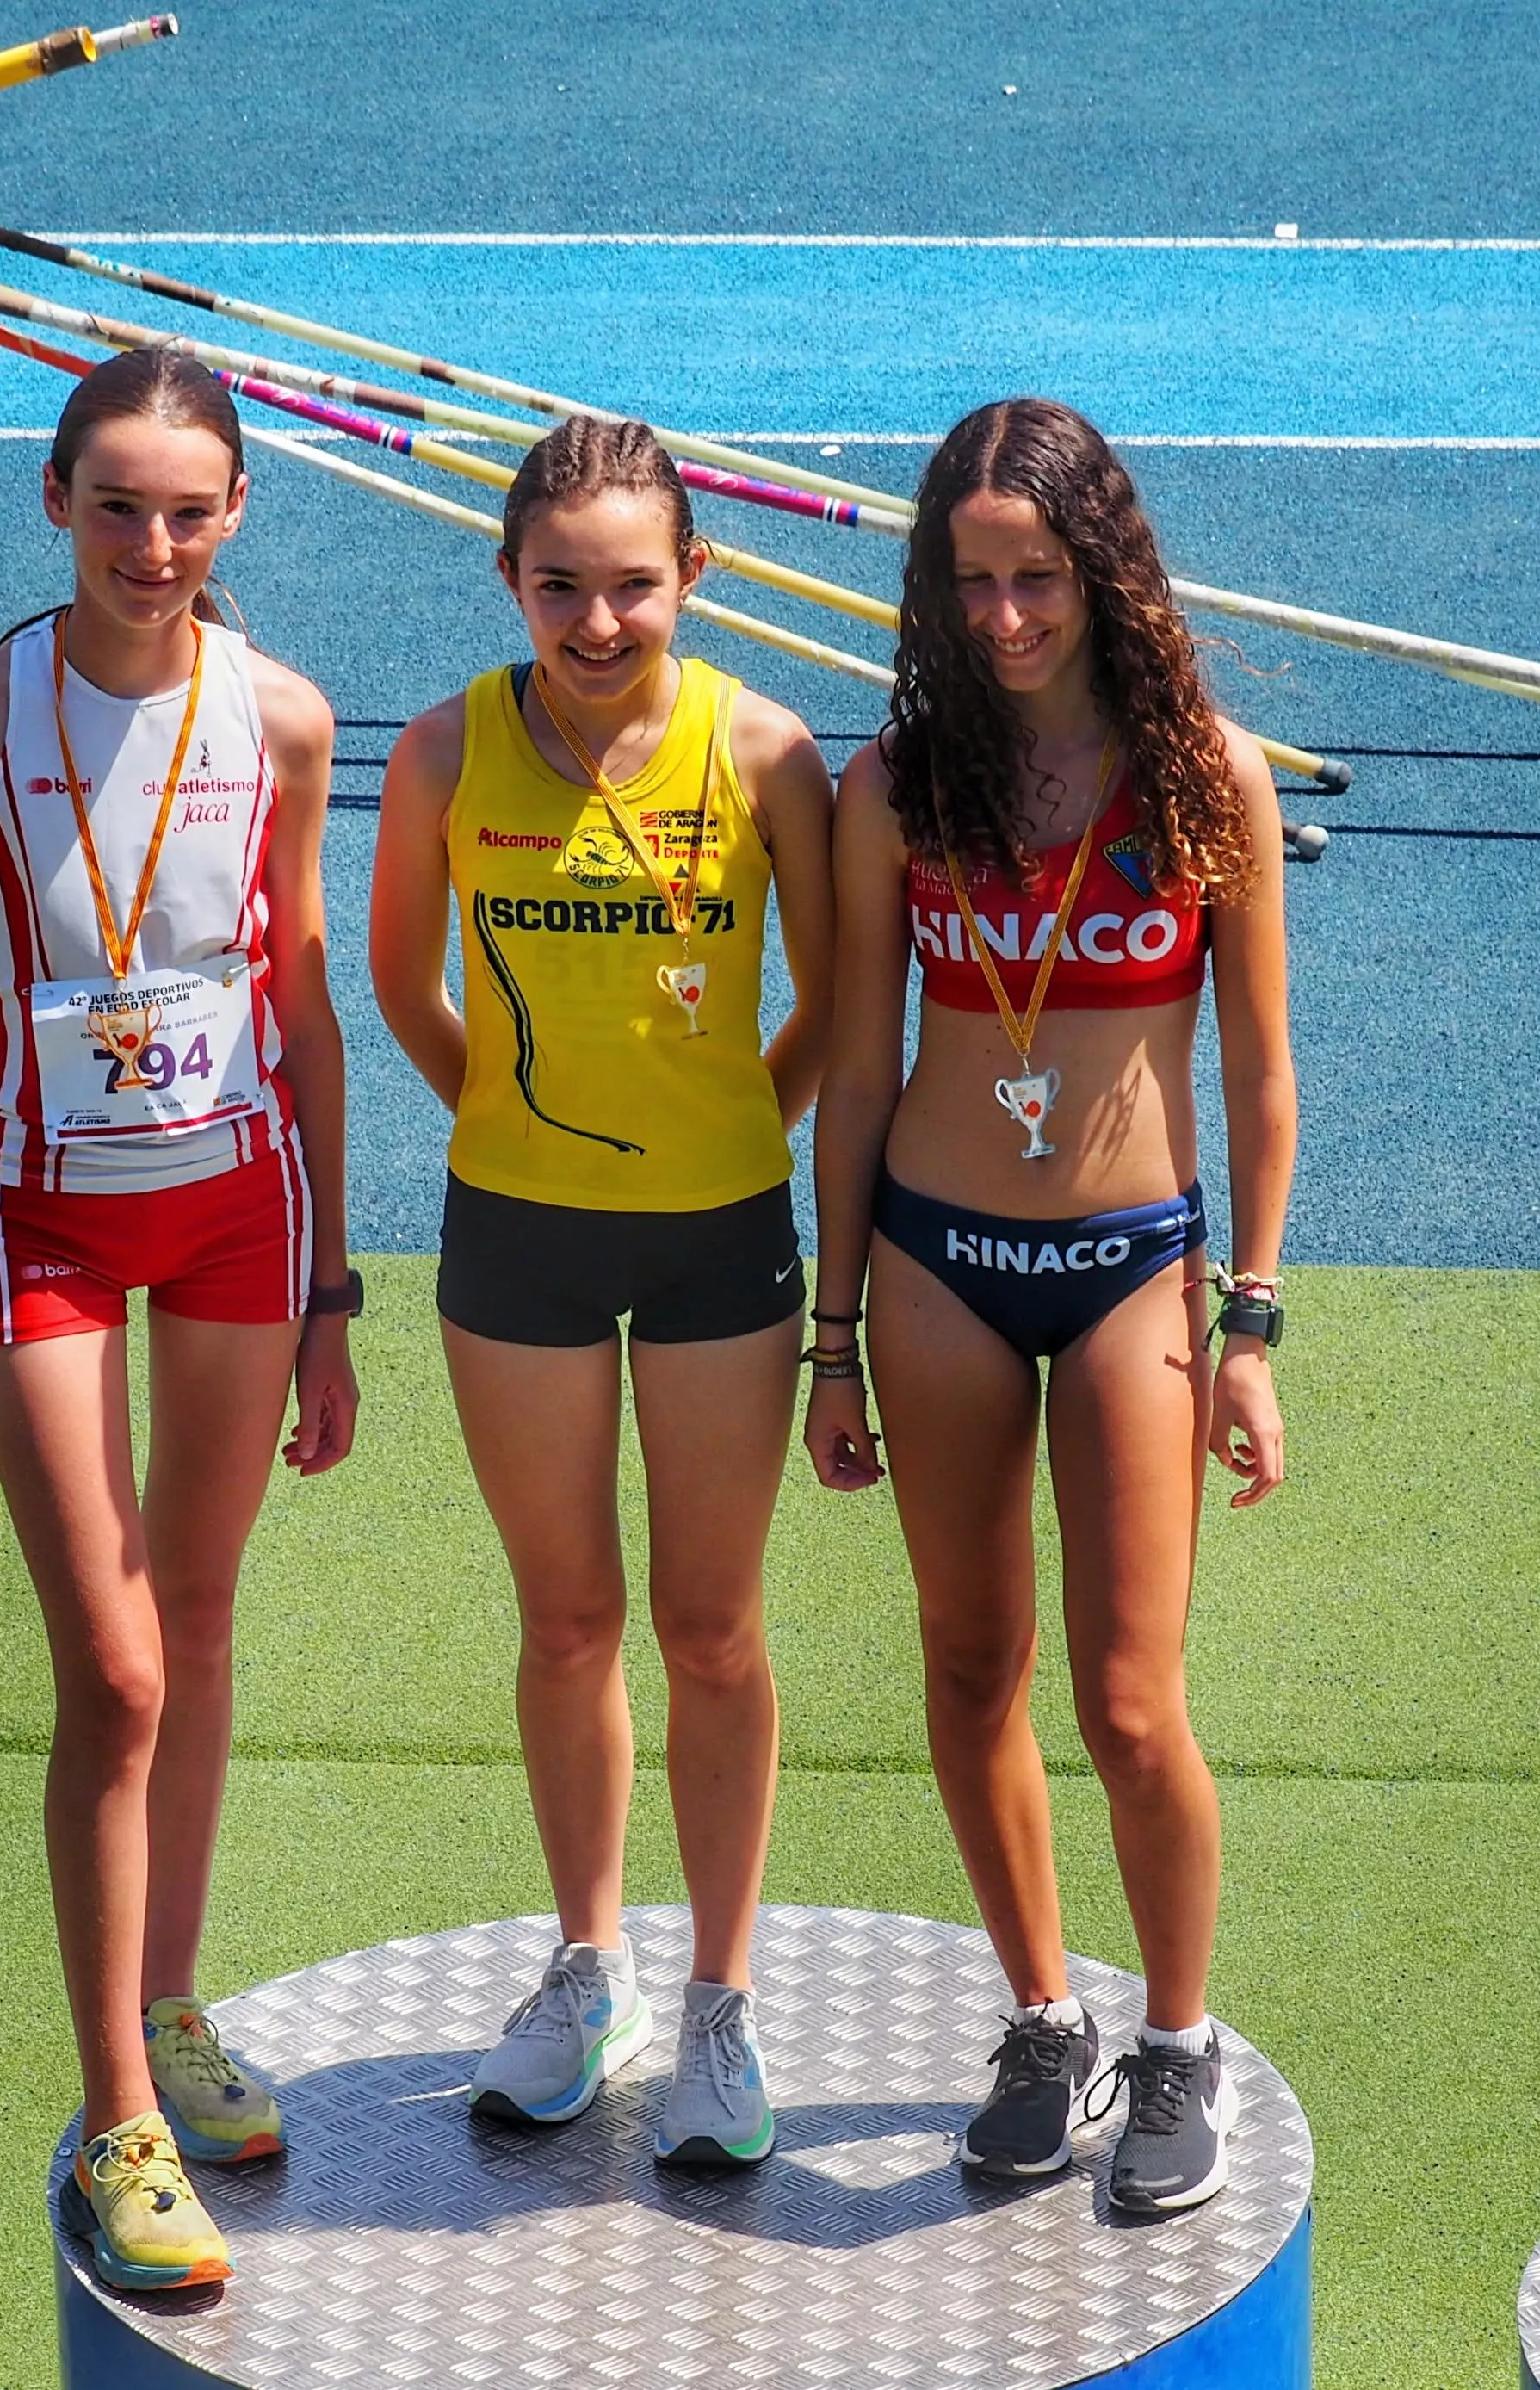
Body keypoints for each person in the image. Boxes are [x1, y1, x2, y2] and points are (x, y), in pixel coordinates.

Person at [0, 346, 358, 2291]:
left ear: (237, 513)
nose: (152, 546)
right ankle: (119, 2120)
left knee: (208, 1618)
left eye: (189, 510)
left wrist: (333, 1292)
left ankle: (172, 2004)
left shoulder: (292, 720)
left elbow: (306, 1008)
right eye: (116, 506)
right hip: (37, 1226)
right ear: (55, 504)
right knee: (121, 1667)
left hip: (239, 1217)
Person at [806, 397, 1294, 2214]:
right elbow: (859, 1072)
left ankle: (1176, 2043)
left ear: (1107, 571)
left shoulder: (1204, 780)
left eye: (1041, 577)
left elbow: (1259, 1076)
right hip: (936, 1259)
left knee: (1132, 1702)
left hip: (1130, 1274)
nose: (1008, 615)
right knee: (965, 1666)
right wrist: (832, 1334)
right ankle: (1040, 2017)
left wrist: (1251, 1327)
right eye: (975, 580)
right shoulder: (899, 786)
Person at [370, 417, 833, 2165]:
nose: (594, 618)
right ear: (509, 577)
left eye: (632, 583)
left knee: (712, 1629)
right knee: (566, 1622)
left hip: (722, 1239)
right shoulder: (441, 753)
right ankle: (592, 1968)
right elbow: (403, 983)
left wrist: (729, 1132)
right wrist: (511, 1129)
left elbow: (843, 1015)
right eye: (558, 583)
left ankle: (720, 2004)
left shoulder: (773, 755)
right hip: (514, 1236)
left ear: (693, 577)